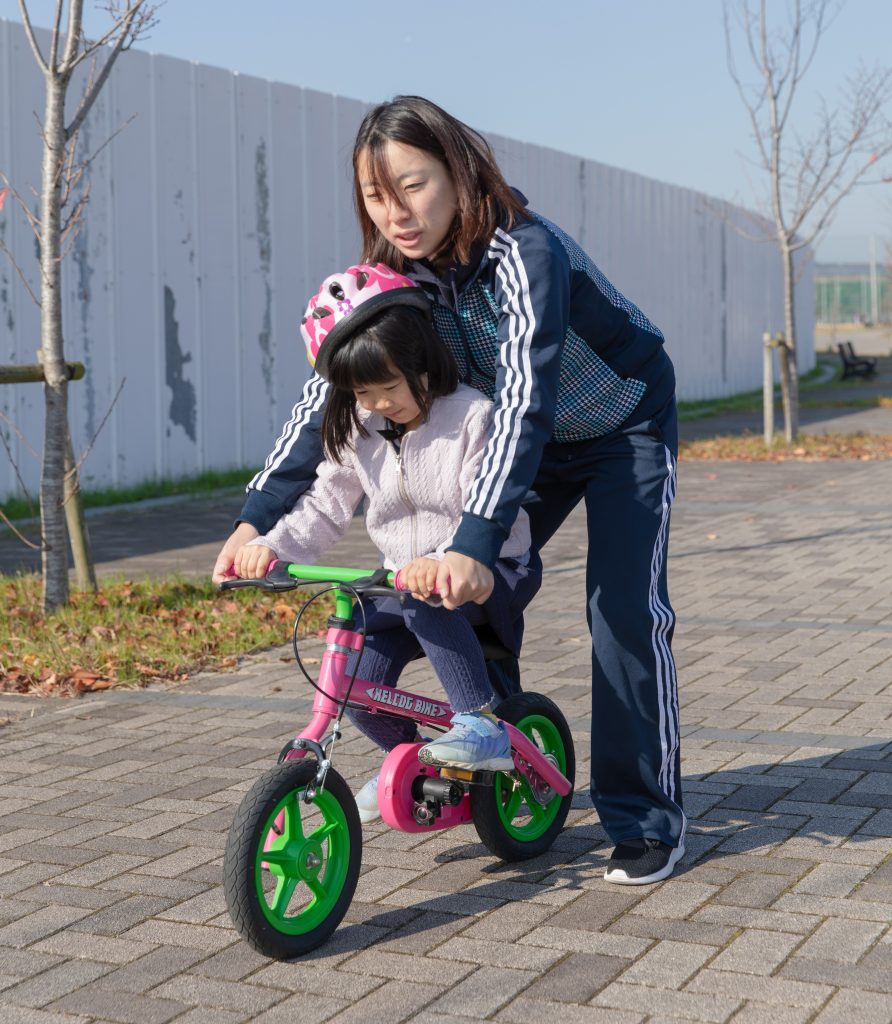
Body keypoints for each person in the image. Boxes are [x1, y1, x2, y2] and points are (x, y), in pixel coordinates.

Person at [214, 95, 684, 885]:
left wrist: (469, 540)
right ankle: (497, 761)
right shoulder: (391, 282)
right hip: (502, 441)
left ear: (459, 172)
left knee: (621, 610)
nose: (397, 213)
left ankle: (645, 819)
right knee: (473, 600)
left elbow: (526, 399)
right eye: (375, 196)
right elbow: (325, 401)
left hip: (618, 427)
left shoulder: (525, 251)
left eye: (415, 185)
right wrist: (256, 518)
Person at [235, 262, 541, 824]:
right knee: (357, 675)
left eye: (388, 388)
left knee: (423, 600)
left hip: (494, 565)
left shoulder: (471, 416)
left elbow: (487, 508)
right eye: (362, 392)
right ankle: (407, 758)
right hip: (406, 580)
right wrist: (273, 547)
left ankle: (478, 723)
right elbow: (324, 505)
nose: (376, 403)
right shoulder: (361, 427)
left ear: (421, 362)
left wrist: (442, 558)